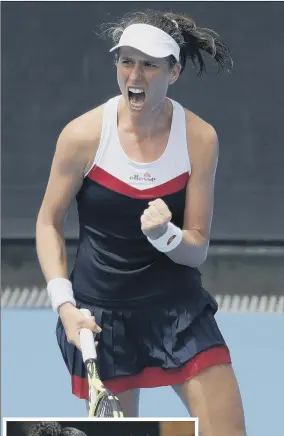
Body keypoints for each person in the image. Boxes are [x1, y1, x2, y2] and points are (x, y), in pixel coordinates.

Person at [36, 9, 246, 435]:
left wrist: (166, 235)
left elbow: (197, 246)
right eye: (126, 60)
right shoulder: (82, 136)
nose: (135, 73)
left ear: (175, 72)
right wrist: (65, 306)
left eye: (150, 64)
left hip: (178, 311)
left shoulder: (200, 139)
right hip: (102, 319)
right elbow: (48, 223)